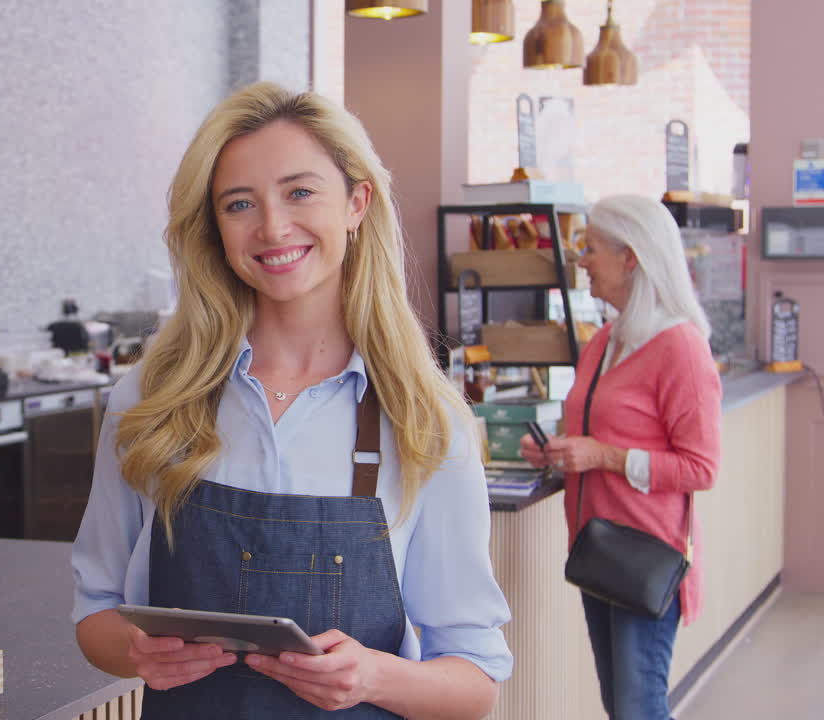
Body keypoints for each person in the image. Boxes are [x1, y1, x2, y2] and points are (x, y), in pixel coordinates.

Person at [70, 82, 512, 719]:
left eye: (300, 191)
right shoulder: (151, 400)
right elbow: (94, 615)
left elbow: (474, 686)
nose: (272, 227)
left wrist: (372, 677)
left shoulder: (425, 422)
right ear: (213, 228)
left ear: (357, 202)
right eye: (239, 204)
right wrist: (138, 650)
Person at [519, 195, 721, 720]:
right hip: (598, 551)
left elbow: (700, 467)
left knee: (638, 709)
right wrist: (558, 451)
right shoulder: (605, 340)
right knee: (623, 707)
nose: (581, 261)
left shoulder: (680, 346)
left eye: (591, 249)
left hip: (645, 556)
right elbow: (595, 431)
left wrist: (603, 456)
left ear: (631, 258)